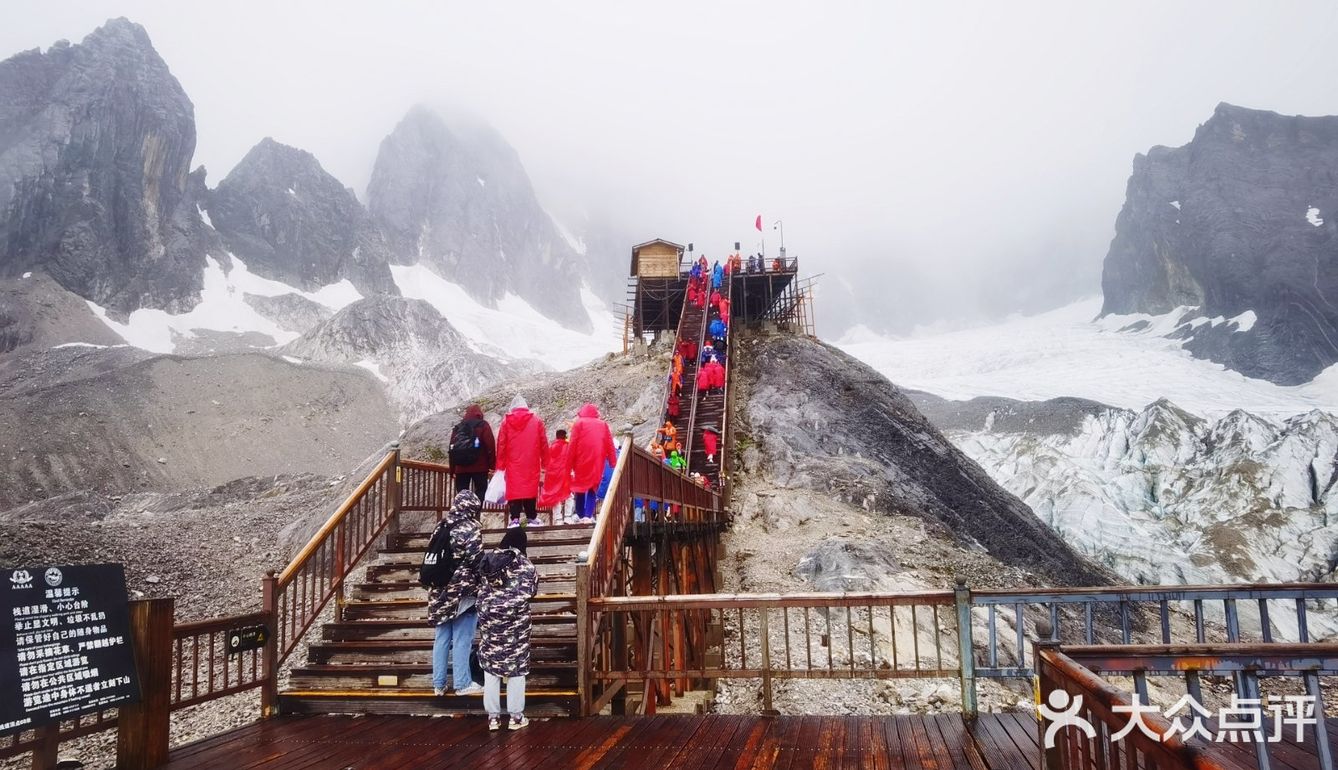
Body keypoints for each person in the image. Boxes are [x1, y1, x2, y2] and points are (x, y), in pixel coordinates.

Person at [477, 527, 538, 731]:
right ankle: (516, 717)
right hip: (515, 626)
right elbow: (531, 591)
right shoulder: (525, 565)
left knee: (491, 669)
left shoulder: (488, 562)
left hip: (490, 622)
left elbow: (481, 588)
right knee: (516, 670)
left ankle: (493, 718)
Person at [427, 490, 484, 697]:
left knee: (441, 637)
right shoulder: (470, 528)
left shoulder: (440, 526)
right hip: (462, 592)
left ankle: (439, 684)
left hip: (438, 591)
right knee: (462, 637)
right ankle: (462, 683)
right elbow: (477, 561)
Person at [496, 395, 548, 527]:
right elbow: (544, 443)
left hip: (513, 463)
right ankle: (531, 517)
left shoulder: (506, 422)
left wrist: (500, 466)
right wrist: (546, 463)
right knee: (530, 489)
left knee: (514, 490)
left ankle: (514, 519)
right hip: (531, 463)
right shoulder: (537, 421)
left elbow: (501, 444)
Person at [568, 403, 618, 524]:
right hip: (597, 460)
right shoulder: (603, 425)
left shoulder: (578, 424)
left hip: (581, 460)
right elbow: (610, 445)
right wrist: (613, 462)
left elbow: (572, 444)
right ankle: (587, 516)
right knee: (592, 488)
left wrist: (568, 463)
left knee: (579, 487)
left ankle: (579, 514)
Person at [449, 405, 495, 499]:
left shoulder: (458, 427)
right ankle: (476, 513)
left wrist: (452, 470)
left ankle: (463, 512)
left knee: (462, 494)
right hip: (480, 468)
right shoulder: (483, 425)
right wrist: (492, 465)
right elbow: (490, 446)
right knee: (481, 491)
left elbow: (452, 449)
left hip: (461, 468)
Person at [537, 429, 573, 523]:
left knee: (555, 496)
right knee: (568, 495)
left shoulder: (551, 447)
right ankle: (568, 517)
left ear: (556, 436)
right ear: (565, 436)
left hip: (552, 476)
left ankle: (558, 518)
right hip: (564, 475)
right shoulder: (568, 446)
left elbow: (545, 462)